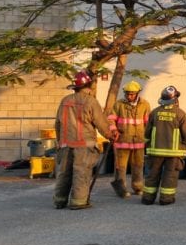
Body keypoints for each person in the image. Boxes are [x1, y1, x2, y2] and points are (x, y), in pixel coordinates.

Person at [53, 70, 118, 210]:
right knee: (81, 173)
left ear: (75, 87)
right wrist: (110, 134)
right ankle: (78, 201)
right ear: (88, 86)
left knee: (64, 173)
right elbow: (100, 122)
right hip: (84, 146)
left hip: (65, 144)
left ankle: (60, 200)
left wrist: (60, 141)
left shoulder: (65, 101)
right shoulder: (91, 101)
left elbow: (58, 124)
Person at [142, 85, 186, 206]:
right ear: (175, 99)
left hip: (155, 152)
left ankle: (147, 199)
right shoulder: (181, 114)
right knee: (170, 175)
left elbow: (147, 132)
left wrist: (145, 145)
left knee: (152, 175)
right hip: (174, 153)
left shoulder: (154, 113)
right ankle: (166, 199)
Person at [106, 80, 151, 199]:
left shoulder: (145, 105)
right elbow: (111, 119)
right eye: (127, 94)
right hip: (122, 140)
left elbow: (148, 123)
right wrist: (114, 130)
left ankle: (138, 187)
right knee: (120, 167)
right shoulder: (118, 104)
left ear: (137, 93)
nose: (129, 96)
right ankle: (121, 188)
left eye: (132, 94)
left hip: (139, 141)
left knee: (138, 165)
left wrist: (148, 138)